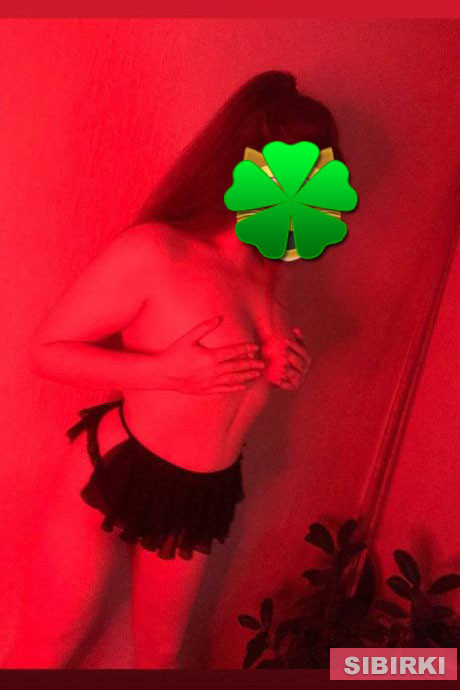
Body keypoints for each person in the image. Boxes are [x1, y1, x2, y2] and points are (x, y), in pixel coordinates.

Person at [20, 70, 341, 669]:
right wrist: (167, 371)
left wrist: (285, 369)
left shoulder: (272, 272)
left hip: (203, 487)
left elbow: (239, 380)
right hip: (117, 466)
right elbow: (47, 351)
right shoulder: (157, 250)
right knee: (48, 645)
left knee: (161, 655)